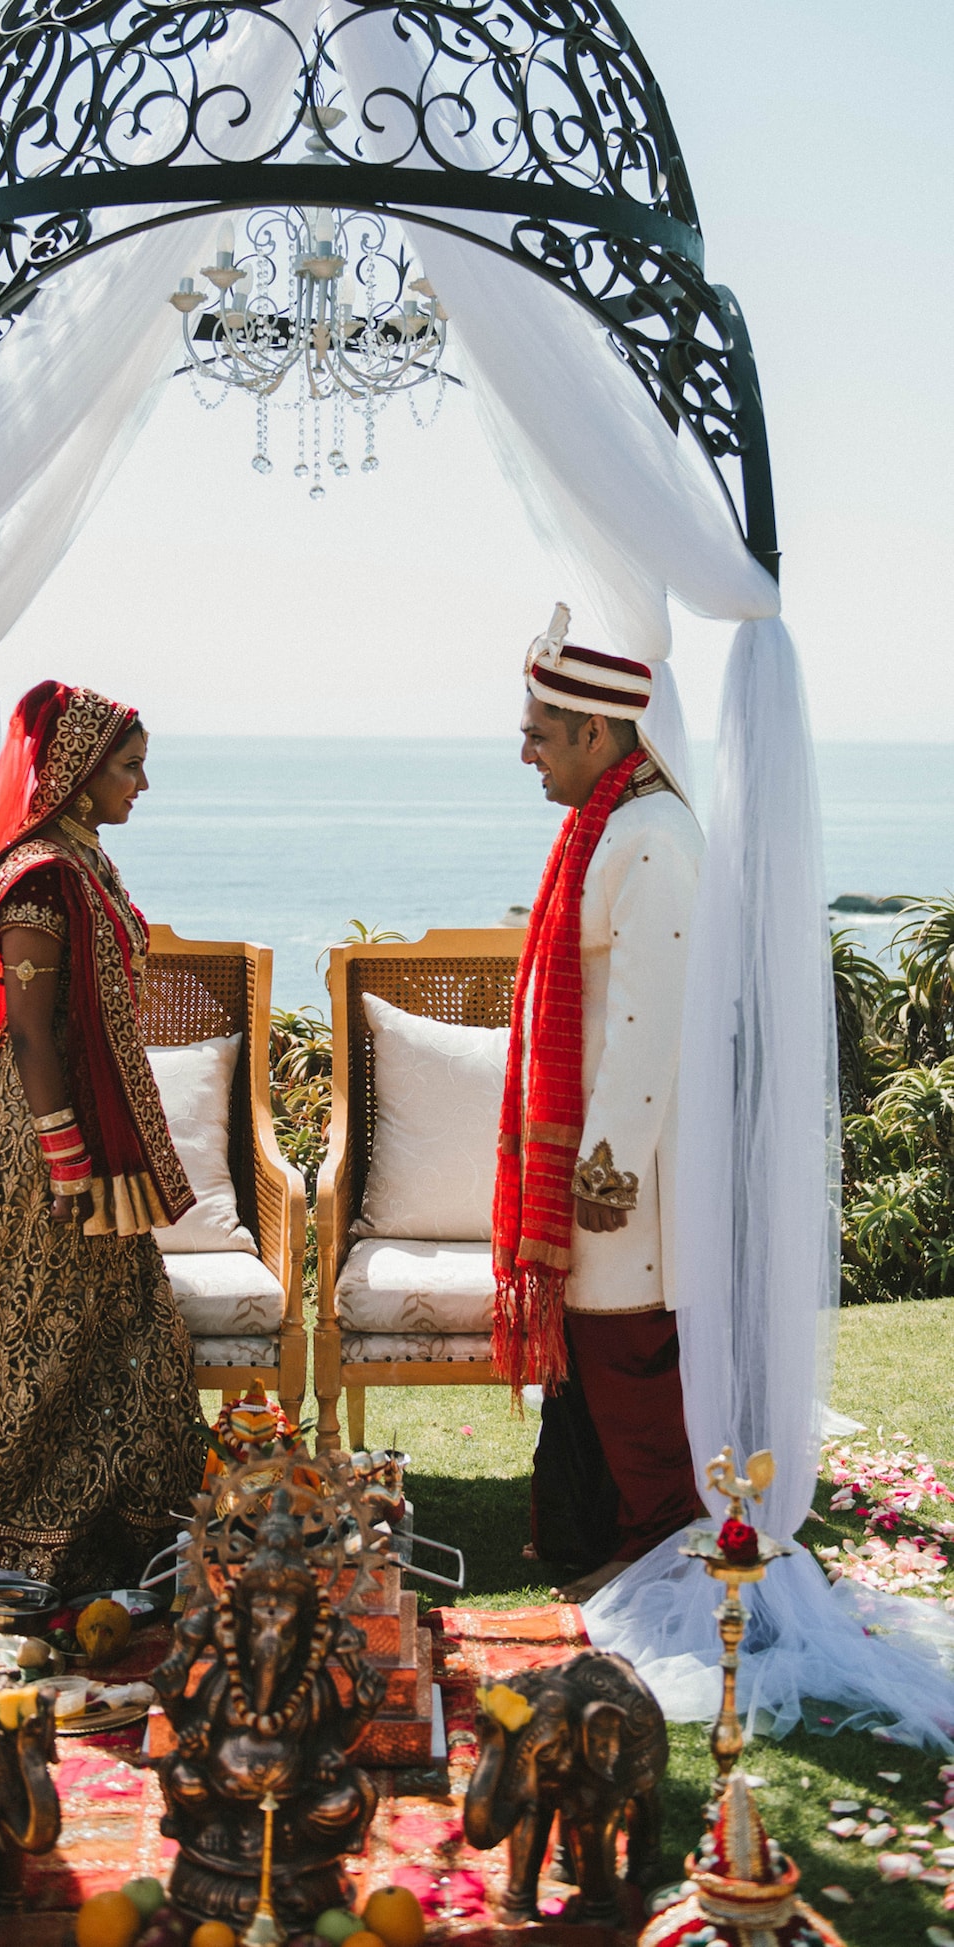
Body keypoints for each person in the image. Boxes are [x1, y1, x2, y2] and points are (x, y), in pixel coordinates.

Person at [0, 682, 207, 1589]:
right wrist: (66, 1154)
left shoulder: (85, 859)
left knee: (116, 1324)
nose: (143, 785)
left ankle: (117, 1516)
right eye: (130, 768)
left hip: (91, 1138)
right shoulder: (39, 878)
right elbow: (27, 1030)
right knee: (29, 1330)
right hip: (46, 1147)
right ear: (77, 773)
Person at [492, 605, 705, 1603]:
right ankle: (583, 1533)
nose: (525, 752)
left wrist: (609, 1162)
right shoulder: (607, 825)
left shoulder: (650, 835)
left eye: (539, 733)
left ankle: (659, 1550)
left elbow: (646, 1018)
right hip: (591, 1145)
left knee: (624, 1345)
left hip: (627, 1161)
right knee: (587, 1347)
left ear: (595, 730)